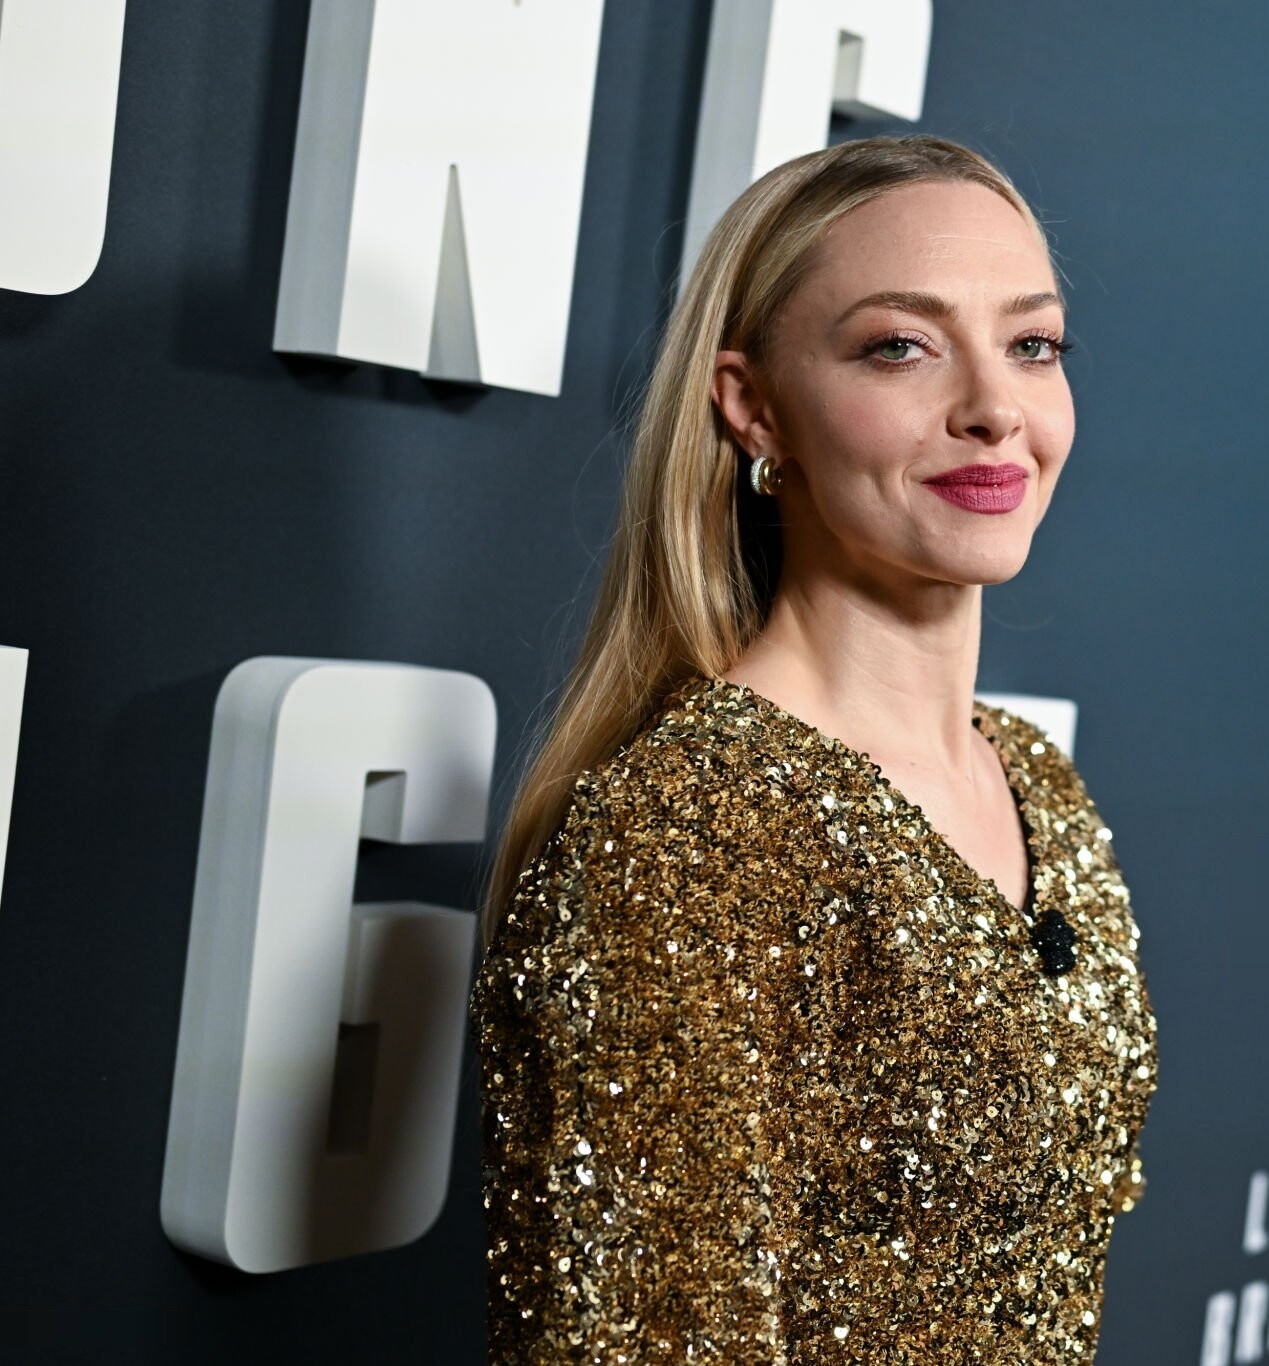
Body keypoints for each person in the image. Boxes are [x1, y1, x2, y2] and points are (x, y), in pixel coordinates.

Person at [469, 133, 1158, 1362]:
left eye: (1031, 344)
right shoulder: (685, 831)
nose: (994, 408)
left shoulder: (1036, 782)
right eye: (899, 345)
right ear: (752, 407)